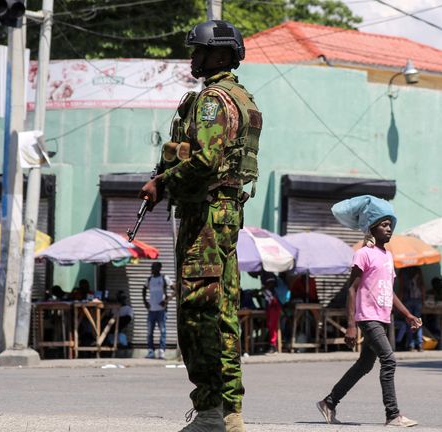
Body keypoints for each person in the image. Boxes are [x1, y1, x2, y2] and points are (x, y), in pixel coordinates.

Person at [139, 19, 259, 432]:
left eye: (200, 51)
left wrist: (162, 182)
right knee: (223, 310)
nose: (194, 58)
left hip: (204, 218)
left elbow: (205, 161)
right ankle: (230, 411)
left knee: (197, 313)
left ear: (222, 55)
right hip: (224, 214)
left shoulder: (212, 100)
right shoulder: (241, 97)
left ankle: (210, 411)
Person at [317, 195, 420, 427]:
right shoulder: (363, 254)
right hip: (367, 317)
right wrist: (351, 325)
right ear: (372, 228)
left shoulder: (387, 256)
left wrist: (408, 315)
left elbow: (389, 291)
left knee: (364, 365)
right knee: (389, 360)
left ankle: (329, 402)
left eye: (390, 224)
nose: (389, 229)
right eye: (384, 224)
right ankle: (392, 414)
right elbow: (351, 289)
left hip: (383, 318)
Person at [143, 262, 171, 359]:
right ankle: (151, 351)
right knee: (150, 332)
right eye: (152, 267)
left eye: (154, 267)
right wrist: (145, 302)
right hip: (151, 310)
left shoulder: (164, 278)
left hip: (161, 311)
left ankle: (161, 351)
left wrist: (166, 300)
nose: (152, 269)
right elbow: (144, 289)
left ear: (159, 268)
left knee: (162, 331)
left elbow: (175, 289)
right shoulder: (150, 279)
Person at [397, 267, 425, 352]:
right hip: (417, 299)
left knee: (409, 322)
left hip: (407, 300)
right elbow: (422, 285)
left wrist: (398, 303)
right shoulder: (418, 270)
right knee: (417, 321)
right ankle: (419, 344)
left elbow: (401, 288)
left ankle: (411, 345)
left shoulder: (402, 271)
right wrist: (423, 300)